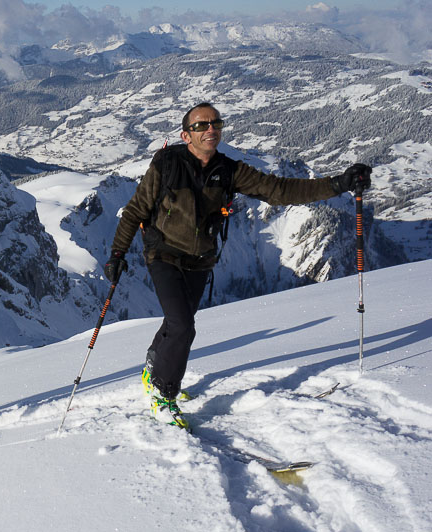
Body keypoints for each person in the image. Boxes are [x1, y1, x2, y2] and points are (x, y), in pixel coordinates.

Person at [104, 102, 372, 429]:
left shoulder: (229, 171)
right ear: (185, 134)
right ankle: (163, 391)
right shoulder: (168, 164)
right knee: (183, 325)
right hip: (162, 253)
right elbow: (134, 211)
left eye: (215, 123)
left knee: (180, 321)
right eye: (201, 125)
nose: (210, 129)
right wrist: (117, 255)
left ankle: (153, 367)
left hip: (201, 258)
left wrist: (338, 184)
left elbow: (279, 190)